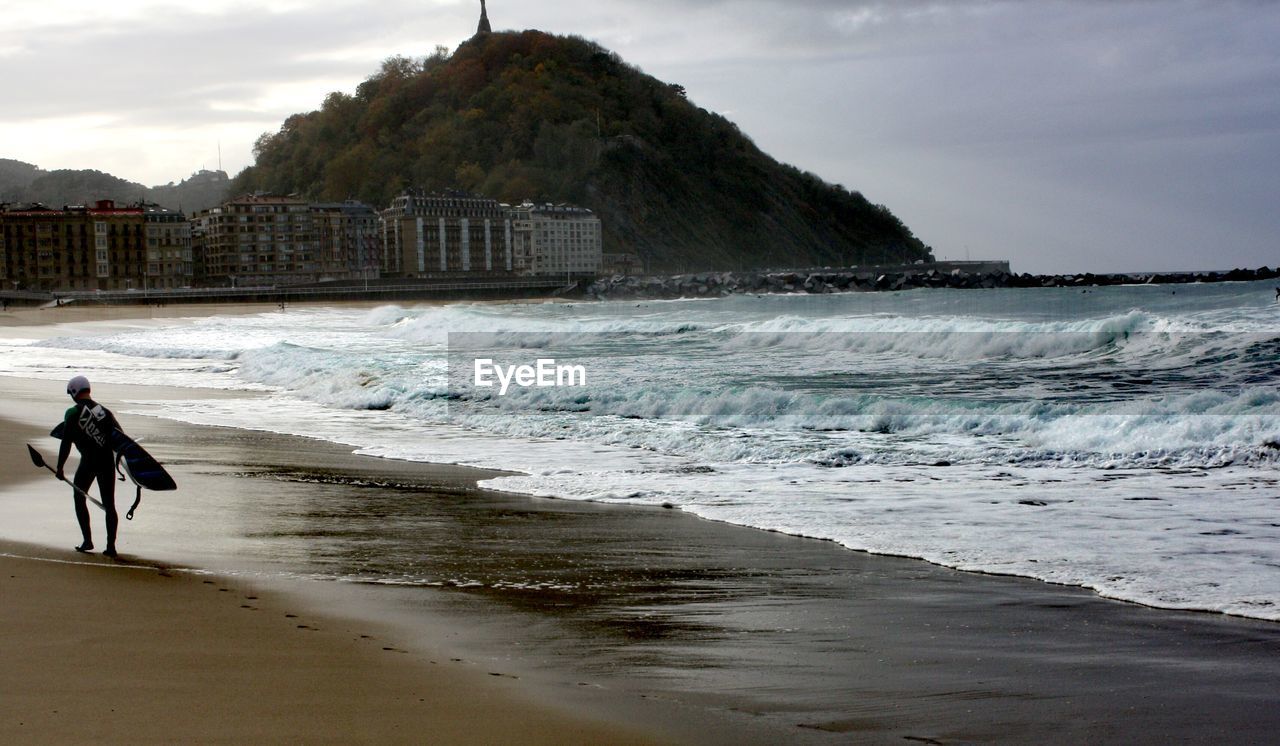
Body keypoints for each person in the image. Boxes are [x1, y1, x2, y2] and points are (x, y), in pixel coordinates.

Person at [55, 375, 123, 557]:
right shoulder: (105, 412)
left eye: (71, 393)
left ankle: (87, 541)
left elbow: (66, 442)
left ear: (75, 391)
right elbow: (120, 440)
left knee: (79, 498)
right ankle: (111, 547)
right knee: (110, 505)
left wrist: (60, 467)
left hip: (89, 462)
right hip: (107, 462)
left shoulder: (73, 413)